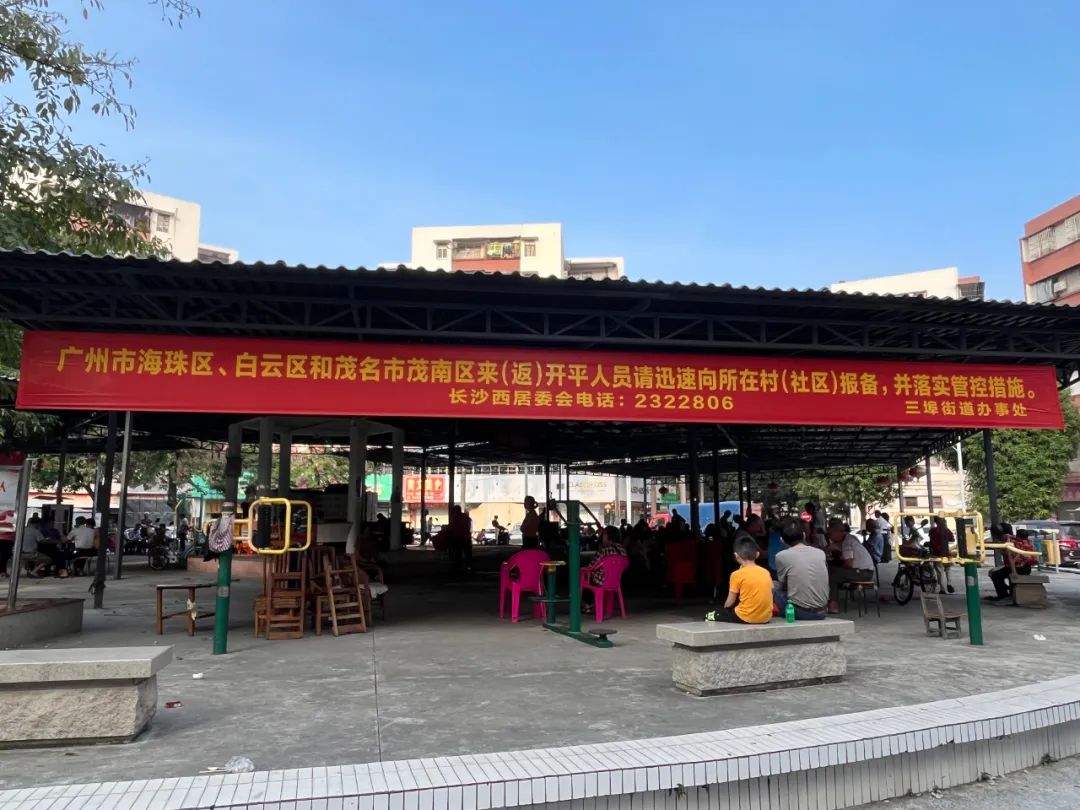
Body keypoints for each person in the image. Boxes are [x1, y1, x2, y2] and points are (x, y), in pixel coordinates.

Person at [773, 516, 829, 619]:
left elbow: (783, 585)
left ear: (782, 540)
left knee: (773, 586)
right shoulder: (820, 553)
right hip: (822, 611)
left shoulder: (781, 556)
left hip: (800, 612)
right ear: (804, 535)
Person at [707, 537, 773, 624]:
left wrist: (725, 610)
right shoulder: (765, 572)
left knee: (711, 615)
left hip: (745, 617)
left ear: (736, 556)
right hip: (766, 617)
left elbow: (730, 601)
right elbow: (771, 591)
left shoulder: (736, 574)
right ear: (757, 554)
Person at [826, 517, 875, 613]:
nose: (829, 536)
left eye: (830, 534)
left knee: (833, 575)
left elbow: (849, 564)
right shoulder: (849, 538)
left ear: (837, 532)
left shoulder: (847, 543)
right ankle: (833, 601)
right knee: (834, 572)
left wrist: (840, 568)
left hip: (863, 572)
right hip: (865, 571)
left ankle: (833, 605)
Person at [989, 526, 1036, 602]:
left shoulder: (1011, 543)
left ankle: (1005, 596)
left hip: (1019, 568)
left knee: (996, 575)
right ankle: (1006, 594)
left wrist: (1014, 572)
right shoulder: (1022, 541)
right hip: (1024, 567)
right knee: (997, 574)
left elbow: (1011, 560)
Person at [928, 516, 955, 593]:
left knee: (940, 571)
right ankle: (949, 583)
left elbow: (931, 542)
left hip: (936, 553)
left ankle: (942, 589)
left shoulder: (932, 531)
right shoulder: (946, 530)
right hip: (945, 553)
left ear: (936, 522)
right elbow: (952, 539)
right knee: (948, 568)